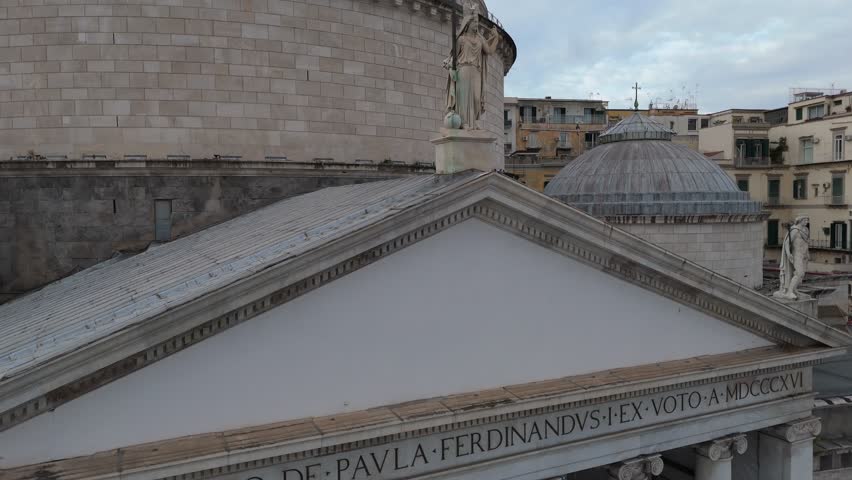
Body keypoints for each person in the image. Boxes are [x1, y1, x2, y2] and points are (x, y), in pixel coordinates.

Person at [443, 3, 500, 130]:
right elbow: (453, 57)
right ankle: (464, 122)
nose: (477, 25)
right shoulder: (461, 40)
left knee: (476, 98)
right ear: (468, 24)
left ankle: (474, 121)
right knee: (463, 98)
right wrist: (450, 67)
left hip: (476, 70)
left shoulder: (480, 40)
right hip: (463, 69)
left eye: (477, 22)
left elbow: (489, 51)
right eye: (474, 22)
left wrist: (496, 38)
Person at [774, 216, 810, 300]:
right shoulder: (794, 230)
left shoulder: (805, 230)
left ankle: (794, 289)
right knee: (799, 273)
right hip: (796, 254)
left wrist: (807, 254)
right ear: (800, 220)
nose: (806, 222)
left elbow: (805, 243)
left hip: (803, 255)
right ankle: (789, 292)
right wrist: (788, 253)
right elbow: (787, 243)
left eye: (807, 220)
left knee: (802, 274)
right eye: (805, 220)